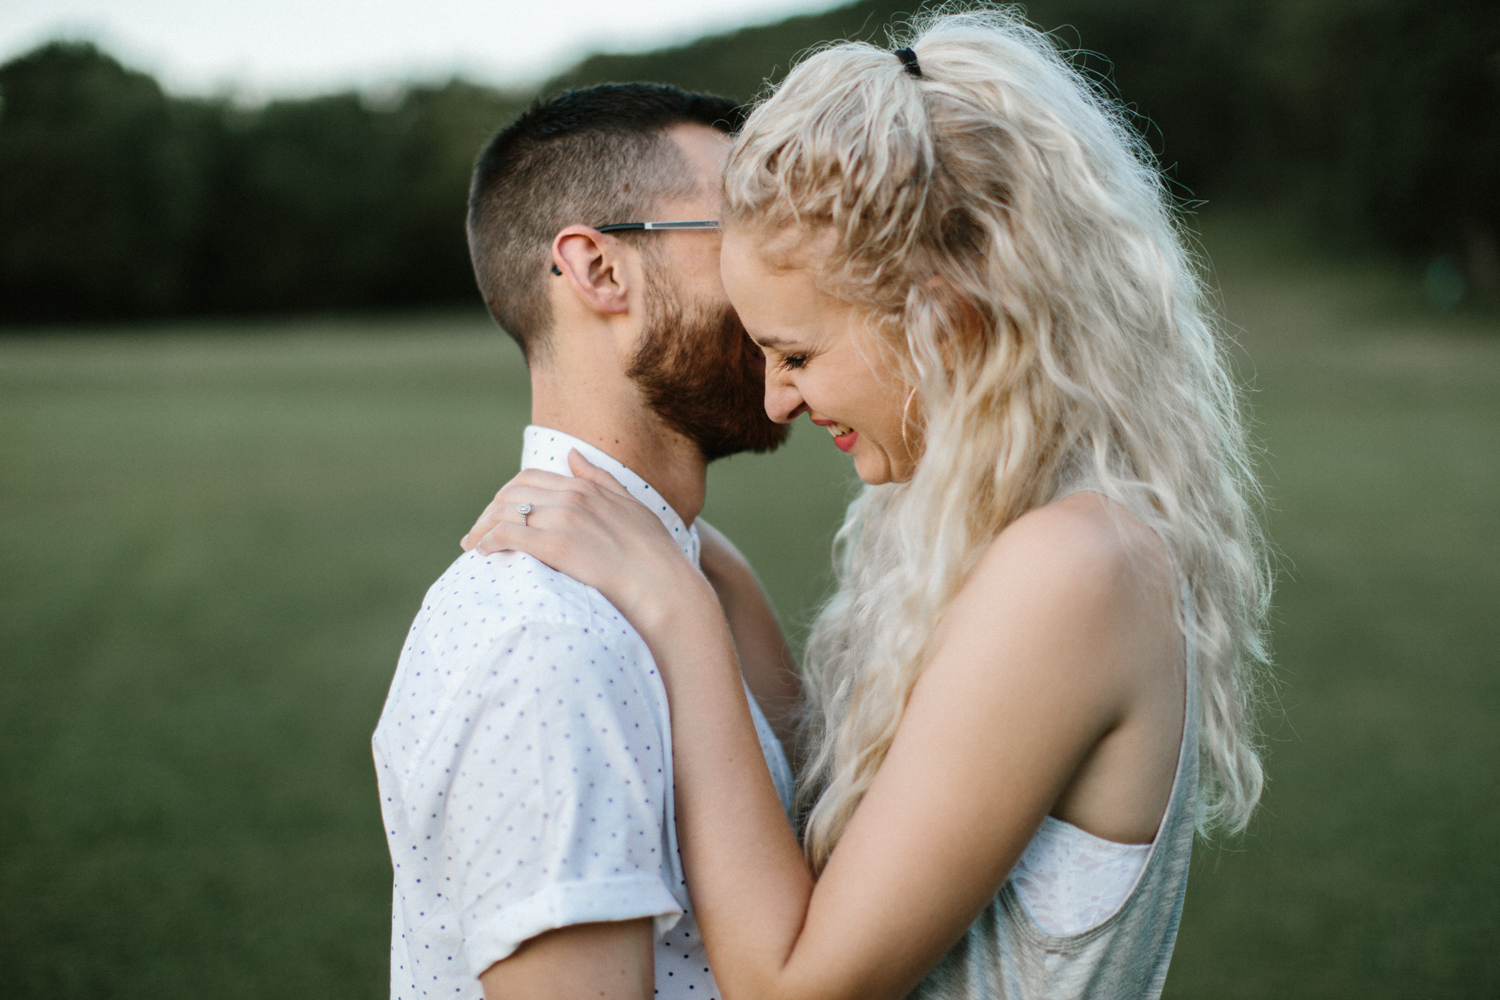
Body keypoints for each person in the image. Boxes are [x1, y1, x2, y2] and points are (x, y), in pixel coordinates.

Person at [463, 10, 1272, 1000]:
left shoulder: (1076, 567)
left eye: (797, 353)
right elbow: (846, 824)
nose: (775, 398)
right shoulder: (994, 522)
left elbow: (793, 982)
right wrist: (690, 547)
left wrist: (678, 610)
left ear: (942, 317)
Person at [372, 83, 802, 1000]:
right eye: (748, 230)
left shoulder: (675, 576)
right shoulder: (546, 638)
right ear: (602, 271)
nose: (794, 274)